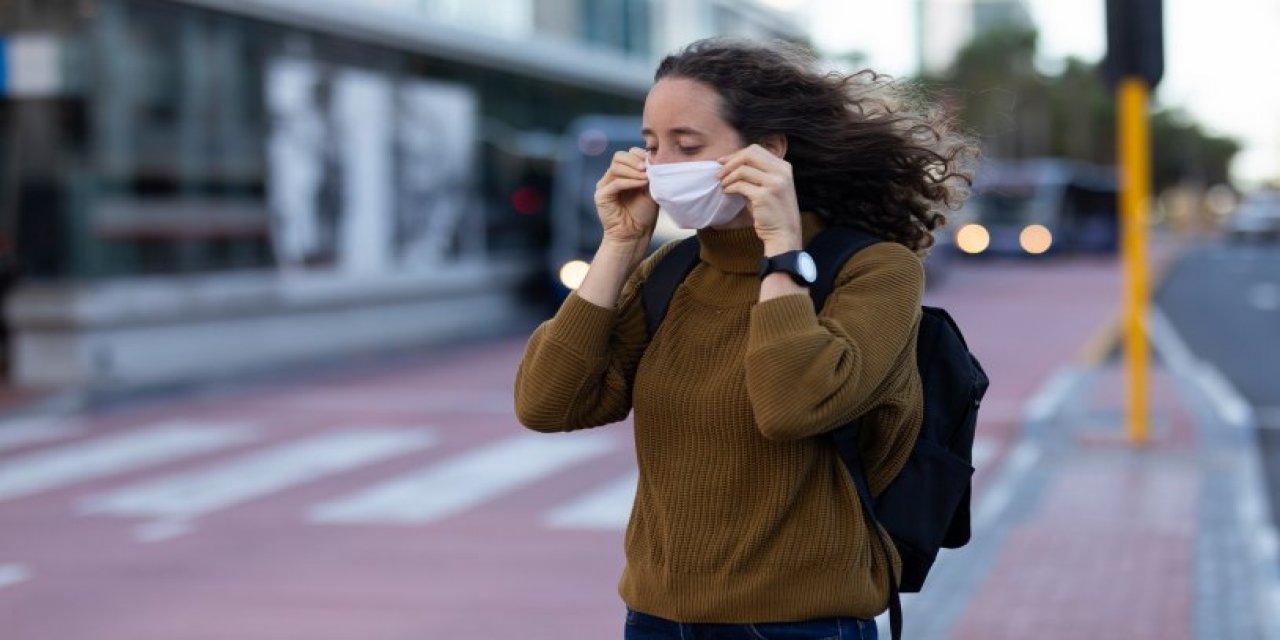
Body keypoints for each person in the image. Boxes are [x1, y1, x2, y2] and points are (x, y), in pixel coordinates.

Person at [514, 38, 975, 640]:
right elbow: (547, 402)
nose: (662, 166)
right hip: (656, 619)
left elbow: (793, 405)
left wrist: (781, 250)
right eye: (652, 146)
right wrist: (620, 246)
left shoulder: (875, 271)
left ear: (770, 152)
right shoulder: (672, 271)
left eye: (688, 145)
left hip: (802, 624)